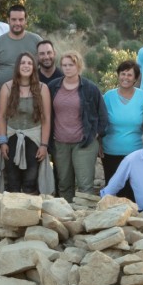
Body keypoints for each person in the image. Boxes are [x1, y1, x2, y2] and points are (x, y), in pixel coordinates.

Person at [48, 51, 108, 202]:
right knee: (64, 184)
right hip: (60, 143)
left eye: (71, 65)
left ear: (78, 66)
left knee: (85, 185)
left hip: (84, 143)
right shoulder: (53, 87)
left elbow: (103, 116)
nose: (67, 68)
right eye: (64, 65)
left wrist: (95, 134)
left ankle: (84, 219)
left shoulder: (90, 88)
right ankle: (66, 219)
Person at [0, 53, 52, 195]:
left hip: (33, 138)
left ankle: (31, 214)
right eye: (23, 63)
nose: (26, 66)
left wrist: (44, 145)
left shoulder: (42, 88)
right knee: (12, 180)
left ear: (34, 67)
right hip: (11, 137)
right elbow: (2, 117)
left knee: (31, 180)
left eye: (29, 63)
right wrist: (3, 142)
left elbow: (46, 118)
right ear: (17, 66)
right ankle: (13, 214)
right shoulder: (7, 87)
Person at [102, 60, 143, 199]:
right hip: (111, 152)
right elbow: (101, 122)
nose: (125, 78)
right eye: (123, 74)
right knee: (113, 194)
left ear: (135, 78)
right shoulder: (108, 97)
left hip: (136, 153)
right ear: (118, 75)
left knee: (134, 193)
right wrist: (98, 143)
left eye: (129, 75)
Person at [0, 5, 42, 94]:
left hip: (30, 97)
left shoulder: (36, 40)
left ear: (26, 20)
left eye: (21, 19)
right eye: (14, 19)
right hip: (2, 98)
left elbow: (46, 63)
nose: (17, 23)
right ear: (8, 20)